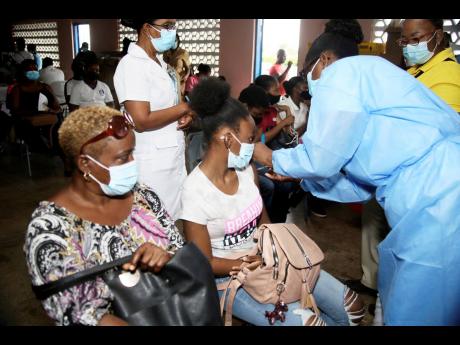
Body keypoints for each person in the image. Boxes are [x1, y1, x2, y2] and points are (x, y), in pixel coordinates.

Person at [252, 22, 460, 326]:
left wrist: (269, 156)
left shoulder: (343, 73)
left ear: (324, 60)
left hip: (438, 196)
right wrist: (303, 178)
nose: (311, 85)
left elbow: (321, 157)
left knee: (422, 303)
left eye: (309, 73)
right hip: (429, 189)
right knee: (413, 294)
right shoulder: (370, 77)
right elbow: (360, 180)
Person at [179, 77, 365, 326]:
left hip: (268, 260)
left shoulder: (246, 170)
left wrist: (275, 251)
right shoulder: (195, 190)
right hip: (231, 279)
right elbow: (205, 263)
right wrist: (250, 262)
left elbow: (264, 221)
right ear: (227, 138)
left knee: (353, 308)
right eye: (250, 139)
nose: (254, 147)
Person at [24, 106, 185, 326]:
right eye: (122, 158)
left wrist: (165, 258)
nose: (132, 164)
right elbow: (79, 314)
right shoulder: (50, 227)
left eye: (132, 153)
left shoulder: (143, 196)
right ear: (85, 164)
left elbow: (179, 250)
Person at [114, 19, 195, 221]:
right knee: (152, 227)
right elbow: (141, 120)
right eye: (167, 26)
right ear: (147, 28)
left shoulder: (161, 64)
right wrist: (185, 107)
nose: (172, 31)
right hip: (151, 163)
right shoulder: (132, 65)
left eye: (174, 25)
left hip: (171, 158)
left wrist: (186, 115)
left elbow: (169, 105)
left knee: (171, 223)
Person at [400, 19, 460, 113]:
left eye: (415, 39)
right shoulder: (417, 68)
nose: (409, 46)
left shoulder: (449, 75)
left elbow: (446, 124)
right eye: (404, 41)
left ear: (438, 36)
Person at [163, 33, 191, 100]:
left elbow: (188, 68)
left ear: (178, 41)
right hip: (169, 79)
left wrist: (186, 76)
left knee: (179, 98)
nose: (173, 42)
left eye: (175, 40)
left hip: (180, 79)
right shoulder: (166, 52)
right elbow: (164, 65)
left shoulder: (183, 52)